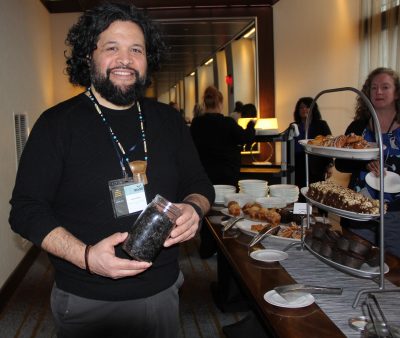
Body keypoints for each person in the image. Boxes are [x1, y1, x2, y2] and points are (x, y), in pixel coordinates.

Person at [8, 3, 214, 338]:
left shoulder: (168, 120)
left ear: (148, 59)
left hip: (163, 292)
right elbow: (26, 210)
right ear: (89, 57)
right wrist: (87, 257)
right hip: (89, 299)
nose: (125, 60)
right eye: (111, 48)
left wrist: (194, 208)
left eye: (136, 49)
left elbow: (199, 183)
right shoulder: (57, 124)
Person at [335, 67, 400, 258]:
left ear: (396, 92)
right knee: (355, 260)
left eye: (385, 87)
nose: (379, 92)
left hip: (395, 212)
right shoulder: (358, 127)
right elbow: (340, 163)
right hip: (358, 208)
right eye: (374, 88)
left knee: (393, 265)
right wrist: (364, 163)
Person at [190, 86, 255, 259]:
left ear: (205, 102)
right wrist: (251, 125)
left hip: (205, 174)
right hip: (227, 174)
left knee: (208, 209)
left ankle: (207, 247)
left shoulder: (197, 124)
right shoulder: (227, 123)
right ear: (220, 102)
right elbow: (246, 138)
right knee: (227, 209)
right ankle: (225, 246)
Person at [293, 97, 334, 191]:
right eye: (301, 107)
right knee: (300, 194)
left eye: (308, 107)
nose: (304, 110)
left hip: (317, 165)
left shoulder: (322, 124)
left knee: (316, 193)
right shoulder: (293, 126)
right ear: (298, 111)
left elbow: (329, 144)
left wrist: (330, 165)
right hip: (298, 166)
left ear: (313, 109)